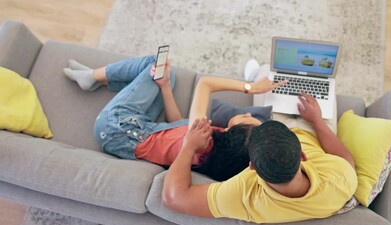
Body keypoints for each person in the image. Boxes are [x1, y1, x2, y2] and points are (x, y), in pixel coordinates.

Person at [161, 59, 357, 223]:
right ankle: (258, 72)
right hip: (315, 132)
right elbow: (346, 160)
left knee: (268, 72)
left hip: (289, 133)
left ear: (252, 166)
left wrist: (188, 147)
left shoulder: (244, 196)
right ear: (303, 156)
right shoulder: (339, 183)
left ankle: (256, 72)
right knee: (307, 80)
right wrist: (317, 121)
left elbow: (173, 197)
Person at [63, 56, 284, 181]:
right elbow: (176, 127)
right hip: (142, 130)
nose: (246, 113)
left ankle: (92, 77)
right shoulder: (209, 153)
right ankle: (100, 78)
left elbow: (205, 83)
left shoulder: (203, 136)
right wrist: (165, 88)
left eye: (247, 119)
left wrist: (250, 87)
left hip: (114, 127)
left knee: (153, 63)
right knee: (164, 76)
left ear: (230, 133)